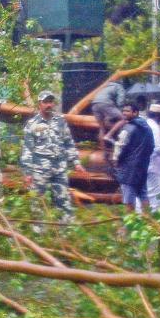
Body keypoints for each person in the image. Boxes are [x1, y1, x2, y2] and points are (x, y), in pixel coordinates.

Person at [21, 90, 86, 223]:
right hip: (40, 169)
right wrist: (27, 172)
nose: (49, 105)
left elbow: (68, 142)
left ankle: (66, 231)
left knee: (63, 200)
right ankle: (39, 232)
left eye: (50, 101)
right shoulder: (32, 124)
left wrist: (76, 162)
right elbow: (27, 149)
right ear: (40, 104)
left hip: (59, 168)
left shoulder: (60, 121)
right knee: (38, 201)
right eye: (45, 102)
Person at [112, 103, 154, 213]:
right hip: (142, 168)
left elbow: (120, 147)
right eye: (123, 111)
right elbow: (151, 146)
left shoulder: (128, 128)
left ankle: (129, 227)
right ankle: (149, 224)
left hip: (128, 170)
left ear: (135, 112)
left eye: (127, 111)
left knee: (128, 200)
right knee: (144, 197)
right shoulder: (147, 128)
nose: (124, 113)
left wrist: (116, 160)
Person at [144, 103, 160, 211]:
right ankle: (157, 218)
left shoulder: (145, 123)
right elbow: (158, 148)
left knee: (146, 192)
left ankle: (139, 217)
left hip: (144, 164)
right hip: (154, 166)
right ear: (158, 116)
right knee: (157, 194)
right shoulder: (154, 127)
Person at [90, 81, 125, 154]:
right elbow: (120, 101)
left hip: (94, 104)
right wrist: (120, 109)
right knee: (123, 119)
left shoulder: (105, 86)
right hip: (105, 103)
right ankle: (109, 135)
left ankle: (104, 151)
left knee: (101, 127)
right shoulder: (119, 86)